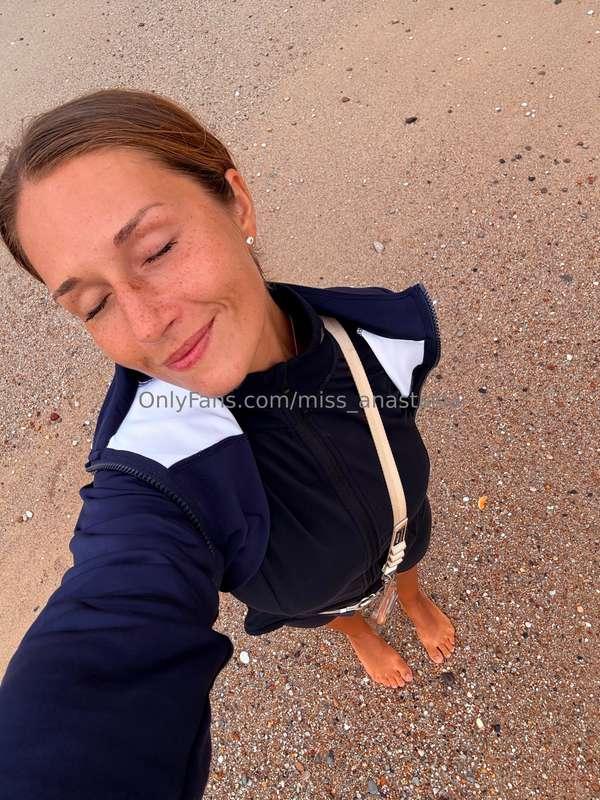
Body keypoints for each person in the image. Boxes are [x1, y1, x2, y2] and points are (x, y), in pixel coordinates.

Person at [0, 88, 455, 799]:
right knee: (324, 607)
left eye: (156, 250)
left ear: (237, 203)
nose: (146, 324)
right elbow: (103, 637)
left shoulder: (376, 337)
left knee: (410, 542)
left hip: (400, 520)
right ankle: (359, 633)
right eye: (94, 304)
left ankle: (412, 596)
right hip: (310, 594)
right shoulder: (154, 473)